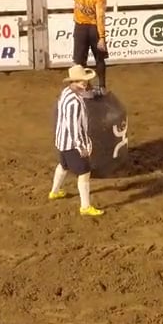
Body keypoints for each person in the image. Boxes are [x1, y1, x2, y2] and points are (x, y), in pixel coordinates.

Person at [48, 65, 105, 217]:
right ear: (73, 81)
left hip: (62, 141)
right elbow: (74, 126)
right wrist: (81, 146)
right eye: (80, 81)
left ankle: (54, 191)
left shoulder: (66, 92)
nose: (84, 83)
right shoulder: (74, 101)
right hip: (72, 143)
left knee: (63, 165)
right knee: (85, 172)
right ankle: (85, 207)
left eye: (84, 80)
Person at [72, 0, 109, 88]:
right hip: (94, 29)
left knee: (79, 61)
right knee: (99, 58)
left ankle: (82, 86)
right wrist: (102, 37)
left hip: (80, 27)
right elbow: (100, 17)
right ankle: (102, 86)